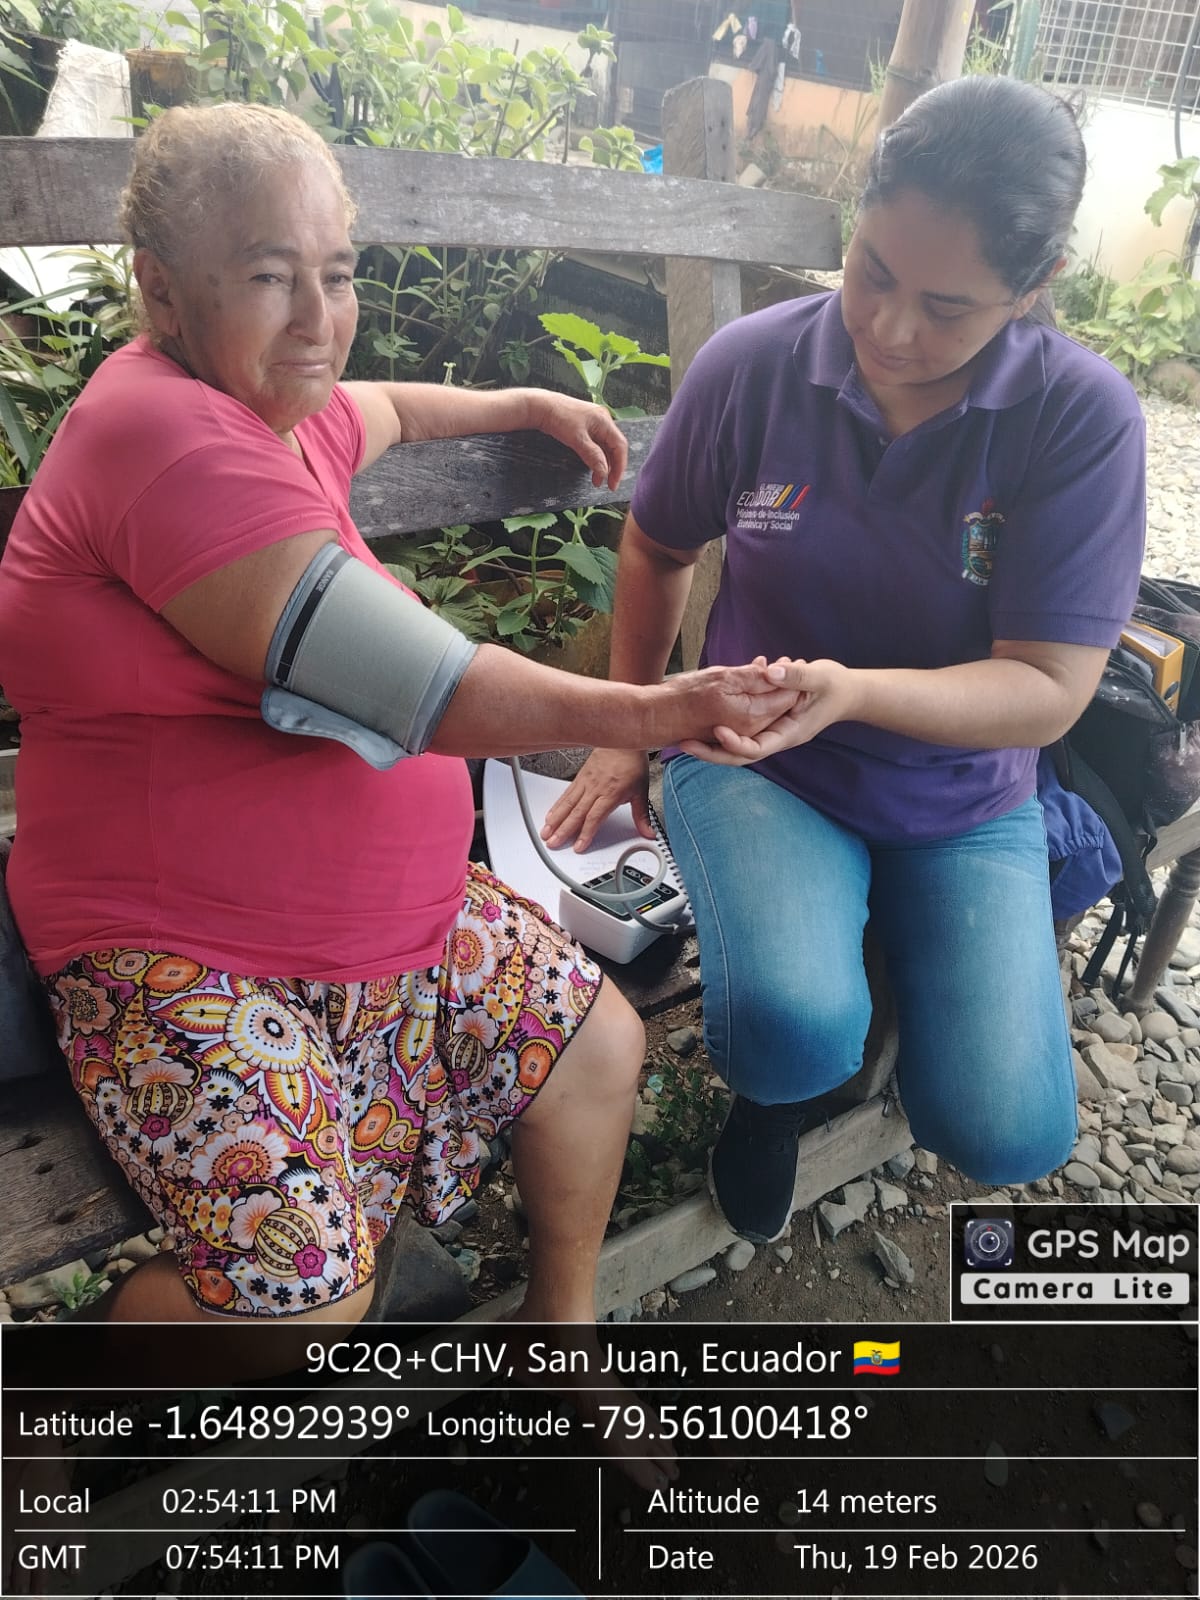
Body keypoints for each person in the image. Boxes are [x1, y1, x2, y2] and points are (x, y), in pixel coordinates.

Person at [0, 98, 803, 1372]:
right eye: (270, 277)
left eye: (338, 273)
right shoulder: (159, 434)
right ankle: (43, 1393)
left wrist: (515, 401)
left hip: (384, 922)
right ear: (161, 291)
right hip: (184, 941)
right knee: (303, 1293)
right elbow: (423, 686)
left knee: (600, 1048)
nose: (318, 318)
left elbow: (375, 406)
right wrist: (657, 710)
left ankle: (560, 1343)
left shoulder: (270, 402)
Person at [544, 76, 1147, 1245]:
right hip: (758, 760)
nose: (889, 328)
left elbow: (1048, 687)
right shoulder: (754, 365)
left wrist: (854, 694)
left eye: (947, 306)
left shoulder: (1081, 419)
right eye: (873, 270)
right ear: (858, 216)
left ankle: (893, 973)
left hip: (962, 794)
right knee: (793, 1021)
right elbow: (658, 543)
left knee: (1010, 1132)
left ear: (1036, 287)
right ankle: (777, 1097)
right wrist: (629, 725)